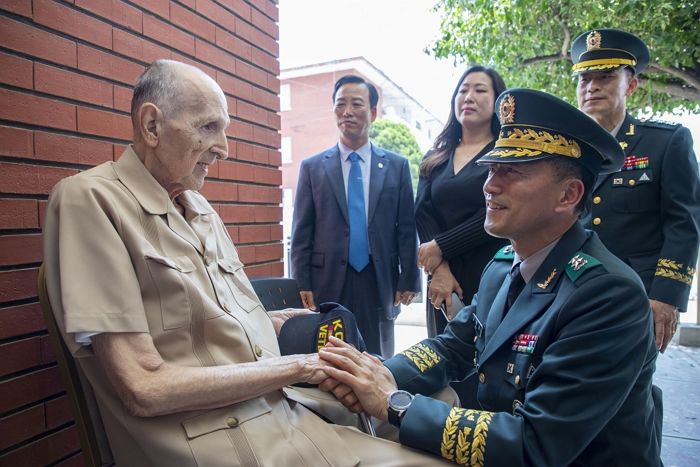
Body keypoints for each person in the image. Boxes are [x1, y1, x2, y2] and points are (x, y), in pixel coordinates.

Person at [43, 59, 449, 466]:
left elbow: (210, 319)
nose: (223, 148)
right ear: (151, 126)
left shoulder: (198, 207)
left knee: (438, 396)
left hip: (284, 409)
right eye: (208, 128)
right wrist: (300, 366)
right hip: (225, 439)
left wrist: (286, 323)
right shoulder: (91, 200)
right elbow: (144, 385)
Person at [319, 89, 662, 466]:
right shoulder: (504, 266)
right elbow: (453, 347)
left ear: (568, 194)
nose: (489, 185)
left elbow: (536, 444)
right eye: (492, 168)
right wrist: (377, 374)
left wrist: (393, 402)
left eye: (512, 172)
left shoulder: (608, 296)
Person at [572, 28, 700, 353]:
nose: (592, 87)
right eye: (584, 79)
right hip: (572, 290)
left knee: (630, 391)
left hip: (636, 294)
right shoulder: (566, 151)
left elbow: (683, 225)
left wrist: (667, 296)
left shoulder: (666, 142)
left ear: (630, 85)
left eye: (605, 76)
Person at [291, 75, 420, 359]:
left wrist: (409, 277)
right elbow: (302, 231)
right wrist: (301, 282)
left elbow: (406, 228)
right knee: (328, 356)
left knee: (378, 357)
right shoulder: (312, 167)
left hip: (379, 278)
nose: (347, 111)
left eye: (356, 104)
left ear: (373, 112)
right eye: (340, 104)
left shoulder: (396, 166)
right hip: (327, 279)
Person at [415, 65, 508, 337]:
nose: (468, 97)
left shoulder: (505, 153)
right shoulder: (436, 156)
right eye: (462, 90)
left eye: (480, 90)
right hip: (442, 280)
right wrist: (440, 268)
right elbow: (422, 212)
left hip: (490, 269)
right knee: (440, 361)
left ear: (497, 102)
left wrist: (442, 246)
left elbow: (499, 210)